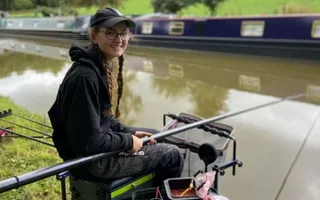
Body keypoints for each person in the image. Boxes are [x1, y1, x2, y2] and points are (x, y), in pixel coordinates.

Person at [48, 7, 184, 186]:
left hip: (94, 151)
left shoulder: (98, 65)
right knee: (172, 154)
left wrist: (130, 132)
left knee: (158, 136)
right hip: (91, 163)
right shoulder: (85, 77)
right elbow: (90, 143)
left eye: (123, 33)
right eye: (111, 33)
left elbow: (104, 118)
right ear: (94, 36)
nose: (119, 39)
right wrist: (127, 141)